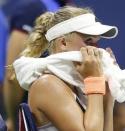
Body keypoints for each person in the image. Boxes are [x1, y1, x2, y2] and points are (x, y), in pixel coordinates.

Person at [16, 5, 118, 131]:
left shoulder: (76, 87)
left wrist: (108, 99)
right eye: (88, 41)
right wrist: (94, 79)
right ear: (63, 43)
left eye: (96, 43)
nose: (96, 50)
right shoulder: (47, 84)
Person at [2, 0, 71, 130]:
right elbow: (13, 75)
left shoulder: (68, 10)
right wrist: (14, 120)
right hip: (22, 108)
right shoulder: (32, 8)